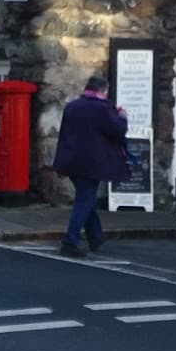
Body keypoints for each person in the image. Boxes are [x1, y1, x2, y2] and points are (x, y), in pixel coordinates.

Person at [51, 75, 129, 257]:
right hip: (92, 163)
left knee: (87, 198)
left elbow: (63, 136)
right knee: (84, 200)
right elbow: (117, 131)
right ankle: (70, 241)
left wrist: (59, 163)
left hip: (71, 161)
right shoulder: (102, 109)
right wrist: (123, 118)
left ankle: (95, 237)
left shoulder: (72, 106)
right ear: (102, 90)